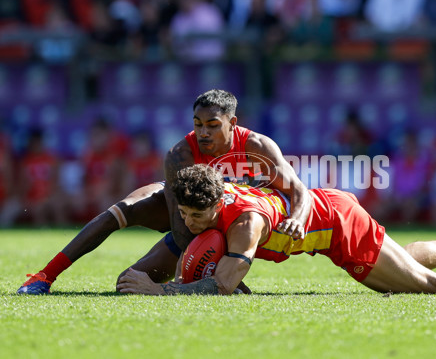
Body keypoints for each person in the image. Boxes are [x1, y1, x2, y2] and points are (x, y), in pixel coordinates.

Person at [117, 164, 436, 296]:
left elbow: (224, 283)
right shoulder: (218, 195)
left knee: (423, 286)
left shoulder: (243, 222)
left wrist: (159, 292)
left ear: (216, 203)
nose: (189, 225)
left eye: (196, 218)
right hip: (333, 210)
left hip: (341, 230)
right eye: (185, 215)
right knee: (402, 262)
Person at [17, 89, 312, 294]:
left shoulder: (257, 146)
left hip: (237, 223)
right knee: (123, 233)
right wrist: (208, 274)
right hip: (191, 225)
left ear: (233, 123)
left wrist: (297, 218)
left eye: (212, 125)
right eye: (198, 124)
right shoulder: (180, 155)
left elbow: (298, 189)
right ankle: (44, 276)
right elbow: (181, 220)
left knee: (134, 283)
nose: (203, 132)